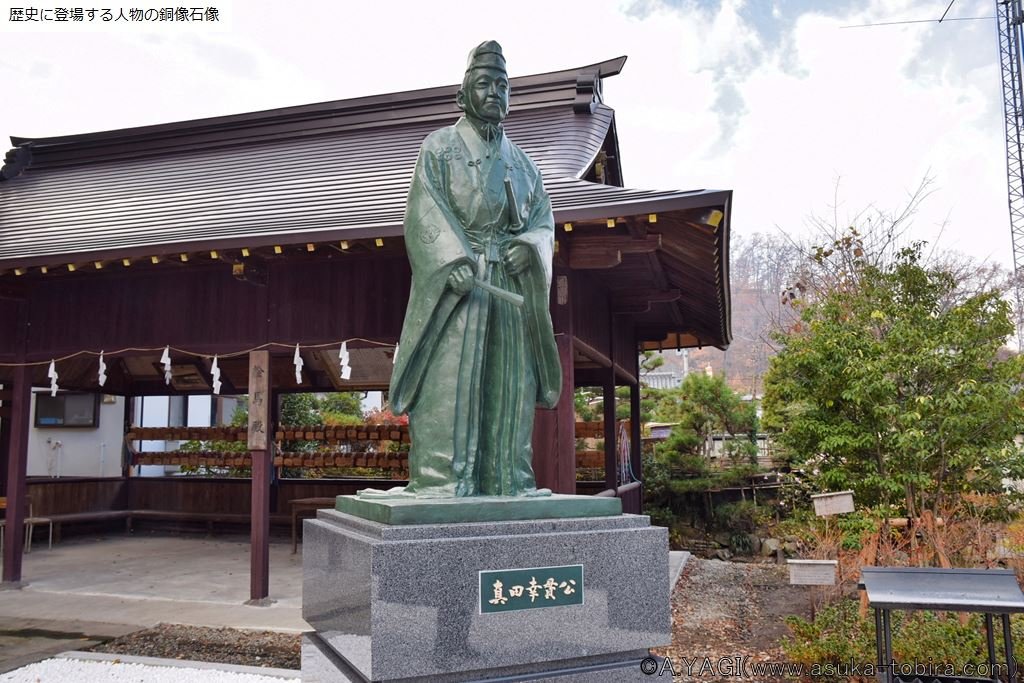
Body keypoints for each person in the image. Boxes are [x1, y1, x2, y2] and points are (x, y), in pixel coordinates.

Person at [365, 40, 561, 498]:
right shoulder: (440, 148)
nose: (495, 92)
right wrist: (449, 259)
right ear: (463, 94)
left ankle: (510, 480)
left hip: (509, 286)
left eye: (502, 85)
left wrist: (530, 249)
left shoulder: (527, 167)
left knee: (512, 383)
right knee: (452, 378)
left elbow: (543, 224)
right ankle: (443, 480)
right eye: (484, 84)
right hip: (462, 282)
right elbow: (424, 211)